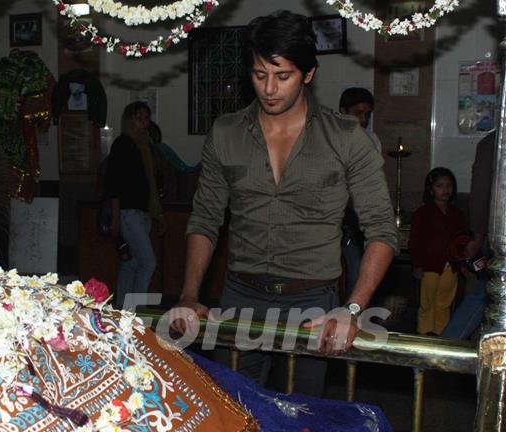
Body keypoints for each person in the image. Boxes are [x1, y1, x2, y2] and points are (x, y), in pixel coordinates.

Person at [169, 11, 397, 396]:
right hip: (240, 297)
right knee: (237, 413)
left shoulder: (345, 138)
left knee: (302, 419)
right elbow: (205, 219)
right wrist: (190, 294)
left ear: (308, 74)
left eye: (283, 76)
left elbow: (381, 229)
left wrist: (353, 308)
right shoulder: (226, 133)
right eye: (260, 75)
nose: (269, 89)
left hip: (313, 302)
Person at [105, 102, 162, 309]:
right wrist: (115, 217)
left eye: (146, 119)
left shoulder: (145, 145)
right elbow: (114, 184)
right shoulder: (123, 144)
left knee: (132, 263)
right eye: (139, 118)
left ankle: (122, 310)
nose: (144, 123)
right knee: (148, 263)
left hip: (142, 211)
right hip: (128, 212)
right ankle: (136, 311)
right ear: (129, 120)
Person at [441, 132, 494, 339]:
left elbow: (480, 193)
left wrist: (478, 236)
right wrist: (478, 236)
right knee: (484, 292)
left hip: (493, 234)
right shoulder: (492, 144)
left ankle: (444, 349)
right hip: (496, 235)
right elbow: (481, 194)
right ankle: (444, 349)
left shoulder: (490, 143)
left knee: (483, 293)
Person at [409, 167, 468, 335]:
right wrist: (417, 264)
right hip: (429, 265)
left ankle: (442, 335)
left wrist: (462, 263)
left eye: (449, 185)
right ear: (431, 189)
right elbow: (415, 241)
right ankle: (424, 333)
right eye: (440, 186)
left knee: (444, 302)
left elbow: (462, 240)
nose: (445, 190)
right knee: (427, 302)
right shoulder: (423, 213)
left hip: (451, 266)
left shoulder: (457, 214)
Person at [338, 88, 380, 299]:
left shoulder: (371, 140)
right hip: (334, 218)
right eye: (358, 113)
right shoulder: (330, 140)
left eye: (367, 114)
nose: (363, 119)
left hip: (357, 221)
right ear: (342, 111)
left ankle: (348, 316)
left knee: (357, 272)